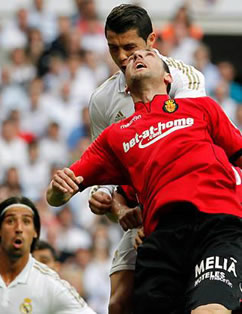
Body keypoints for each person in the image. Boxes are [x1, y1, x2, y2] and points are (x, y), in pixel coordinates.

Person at [47, 49, 242, 313]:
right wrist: (59, 190)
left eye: (148, 54)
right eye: (131, 60)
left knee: (209, 310)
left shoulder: (202, 107)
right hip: (161, 238)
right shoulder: (115, 136)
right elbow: (57, 195)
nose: (137, 56)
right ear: (125, 87)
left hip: (217, 224)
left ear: (168, 78)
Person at [87, 4, 207, 313]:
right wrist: (108, 201)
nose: (123, 57)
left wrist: (158, 221)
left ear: (151, 41)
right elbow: (103, 171)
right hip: (141, 210)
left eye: (130, 47)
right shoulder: (102, 100)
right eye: (114, 48)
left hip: (191, 204)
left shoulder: (186, 80)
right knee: (119, 302)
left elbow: (186, 151)